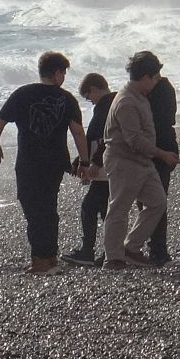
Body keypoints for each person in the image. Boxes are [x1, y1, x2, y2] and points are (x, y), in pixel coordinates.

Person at [0, 51, 89, 274]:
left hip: (29, 161)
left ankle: (41, 261)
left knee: (33, 209)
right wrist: (84, 161)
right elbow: (78, 133)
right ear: (56, 73)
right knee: (48, 207)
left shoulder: (23, 94)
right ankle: (50, 257)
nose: (63, 77)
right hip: (55, 162)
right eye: (63, 73)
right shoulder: (67, 99)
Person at [101, 52, 180, 269]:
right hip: (124, 161)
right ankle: (113, 257)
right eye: (155, 78)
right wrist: (163, 154)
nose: (156, 82)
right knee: (119, 208)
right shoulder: (127, 101)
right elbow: (134, 140)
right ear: (145, 77)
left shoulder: (140, 96)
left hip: (143, 162)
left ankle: (131, 247)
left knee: (157, 202)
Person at [61, 73, 115, 267]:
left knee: (90, 207)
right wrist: (81, 160)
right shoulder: (112, 103)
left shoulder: (106, 106)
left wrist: (94, 162)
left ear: (94, 89)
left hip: (105, 166)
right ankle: (110, 251)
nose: (89, 101)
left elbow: (103, 138)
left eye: (88, 96)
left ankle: (88, 251)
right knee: (105, 208)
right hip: (107, 164)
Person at [145, 73, 180, 266]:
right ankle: (156, 249)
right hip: (163, 149)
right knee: (153, 201)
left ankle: (158, 250)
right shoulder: (160, 89)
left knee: (155, 201)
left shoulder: (162, 91)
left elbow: (159, 123)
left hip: (161, 151)